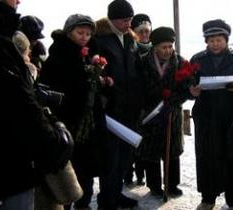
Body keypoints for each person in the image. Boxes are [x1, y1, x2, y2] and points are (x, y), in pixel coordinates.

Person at [0, 0, 72, 209]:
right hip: (9, 161)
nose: (18, 1)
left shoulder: (1, 33)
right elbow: (18, 103)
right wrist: (55, 140)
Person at [38, 14, 106, 210]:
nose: (84, 37)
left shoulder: (93, 55)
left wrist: (102, 83)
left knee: (88, 169)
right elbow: (51, 90)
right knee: (71, 169)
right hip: (68, 121)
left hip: (90, 121)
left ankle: (84, 204)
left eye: (88, 33)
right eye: (80, 32)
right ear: (69, 32)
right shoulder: (58, 57)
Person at [189, 19, 233, 210]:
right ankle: (208, 198)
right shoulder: (197, 59)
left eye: (219, 39)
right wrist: (191, 90)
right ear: (206, 41)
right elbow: (187, 83)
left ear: (226, 39)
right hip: (206, 117)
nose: (215, 43)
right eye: (211, 40)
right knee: (208, 158)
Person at [94, 0, 140, 209]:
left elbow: (136, 69)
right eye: (124, 20)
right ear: (112, 19)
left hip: (129, 107)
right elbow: (96, 72)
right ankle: (107, 198)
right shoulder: (100, 39)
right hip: (111, 108)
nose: (128, 24)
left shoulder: (130, 39)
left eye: (130, 19)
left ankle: (117, 193)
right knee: (110, 158)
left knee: (124, 157)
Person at [135, 26, 187, 198]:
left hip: (172, 112)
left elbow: (187, 87)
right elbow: (138, 87)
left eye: (170, 46)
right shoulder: (142, 61)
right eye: (163, 47)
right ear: (154, 46)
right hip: (151, 112)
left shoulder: (180, 62)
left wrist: (174, 98)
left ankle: (172, 184)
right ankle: (154, 185)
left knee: (172, 148)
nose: (168, 50)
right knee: (151, 150)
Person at [124, 13, 153, 187]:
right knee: (130, 139)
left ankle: (142, 174)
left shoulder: (154, 48)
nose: (144, 35)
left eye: (147, 31)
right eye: (140, 31)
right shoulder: (130, 48)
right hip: (133, 101)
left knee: (145, 141)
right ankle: (128, 173)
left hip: (149, 102)